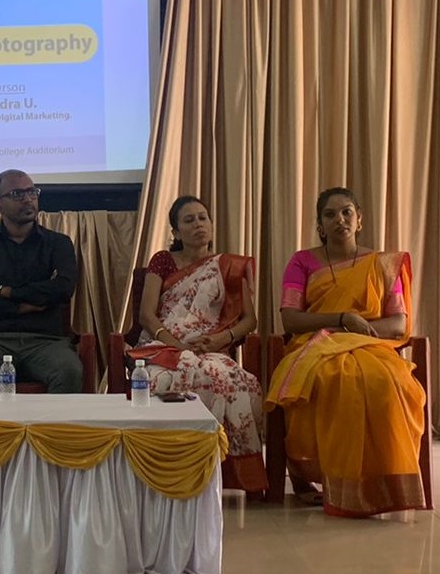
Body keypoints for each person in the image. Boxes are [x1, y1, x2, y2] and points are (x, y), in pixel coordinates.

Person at [264, 188, 425, 517]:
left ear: (359, 219)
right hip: (314, 347)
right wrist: (340, 319)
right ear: (320, 225)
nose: (340, 219)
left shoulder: (383, 264)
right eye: (330, 214)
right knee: (334, 380)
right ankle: (323, 478)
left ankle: (383, 483)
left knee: (390, 383)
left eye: (347, 212)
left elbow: (397, 324)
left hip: (372, 347)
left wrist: (354, 331)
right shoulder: (302, 262)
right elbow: (291, 319)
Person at [133, 195, 265, 492]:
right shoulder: (163, 261)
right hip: (164, 345)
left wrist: (220, 339)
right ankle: (170, 471)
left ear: (211, 225)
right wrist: (177, 345)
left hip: (212, 348)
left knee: (235, 381)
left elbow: (249, 320)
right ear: (176, 232)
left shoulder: (229, 267)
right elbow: (146, 315)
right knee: (165, 379)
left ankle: (223, 472)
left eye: (202, 218)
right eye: (189, 220)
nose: (198, 224)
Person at [0, 169, 81, 392]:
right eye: (17, 194)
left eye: (32, 192)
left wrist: (5, 292)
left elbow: (62, 289)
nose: (28, 199)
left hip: (46, 341)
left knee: (69, 371)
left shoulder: (58, 243)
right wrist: (22, 306)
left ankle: (53, 419)